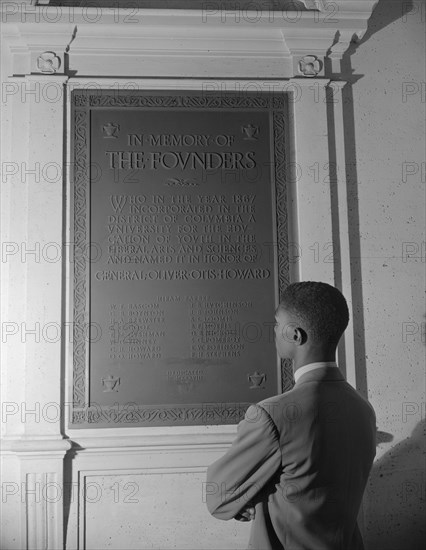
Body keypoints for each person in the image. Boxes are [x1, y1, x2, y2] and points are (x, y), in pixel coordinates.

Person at [205, 281, 376, 549]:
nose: (273, 331)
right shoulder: (363, 409)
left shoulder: (270, 415)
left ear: (296, 335)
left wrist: (250, 494)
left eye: (276, 323)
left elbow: (218, 498)